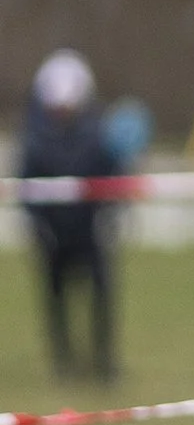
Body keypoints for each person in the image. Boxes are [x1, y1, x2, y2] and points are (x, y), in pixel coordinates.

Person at [21, 51, 123, 380]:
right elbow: (26, 186)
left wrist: (108, 217)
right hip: (53, 231)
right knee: (55, 297)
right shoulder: (35, 140)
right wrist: (39, 225)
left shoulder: (97, 137)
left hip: (89, 229)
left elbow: (113, 178)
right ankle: (64, 361)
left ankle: (103, 361)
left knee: (101, 292)